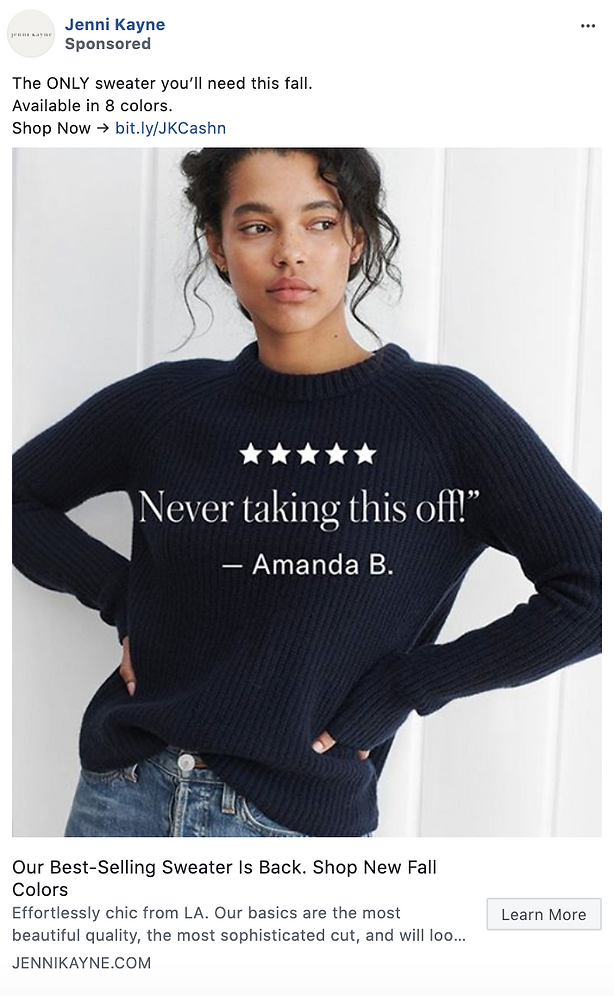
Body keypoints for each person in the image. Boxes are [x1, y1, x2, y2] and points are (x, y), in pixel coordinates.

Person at [12, 148, 602, 838]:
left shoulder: (444, 417)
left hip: (287, 827)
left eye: (319, 224)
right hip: (122, 796)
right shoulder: (167, 406)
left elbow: (593, 588)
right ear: (219, 246)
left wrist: (409, 684)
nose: (290, 253)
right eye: (257, 227)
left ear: (356, 239)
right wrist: (125, 595)